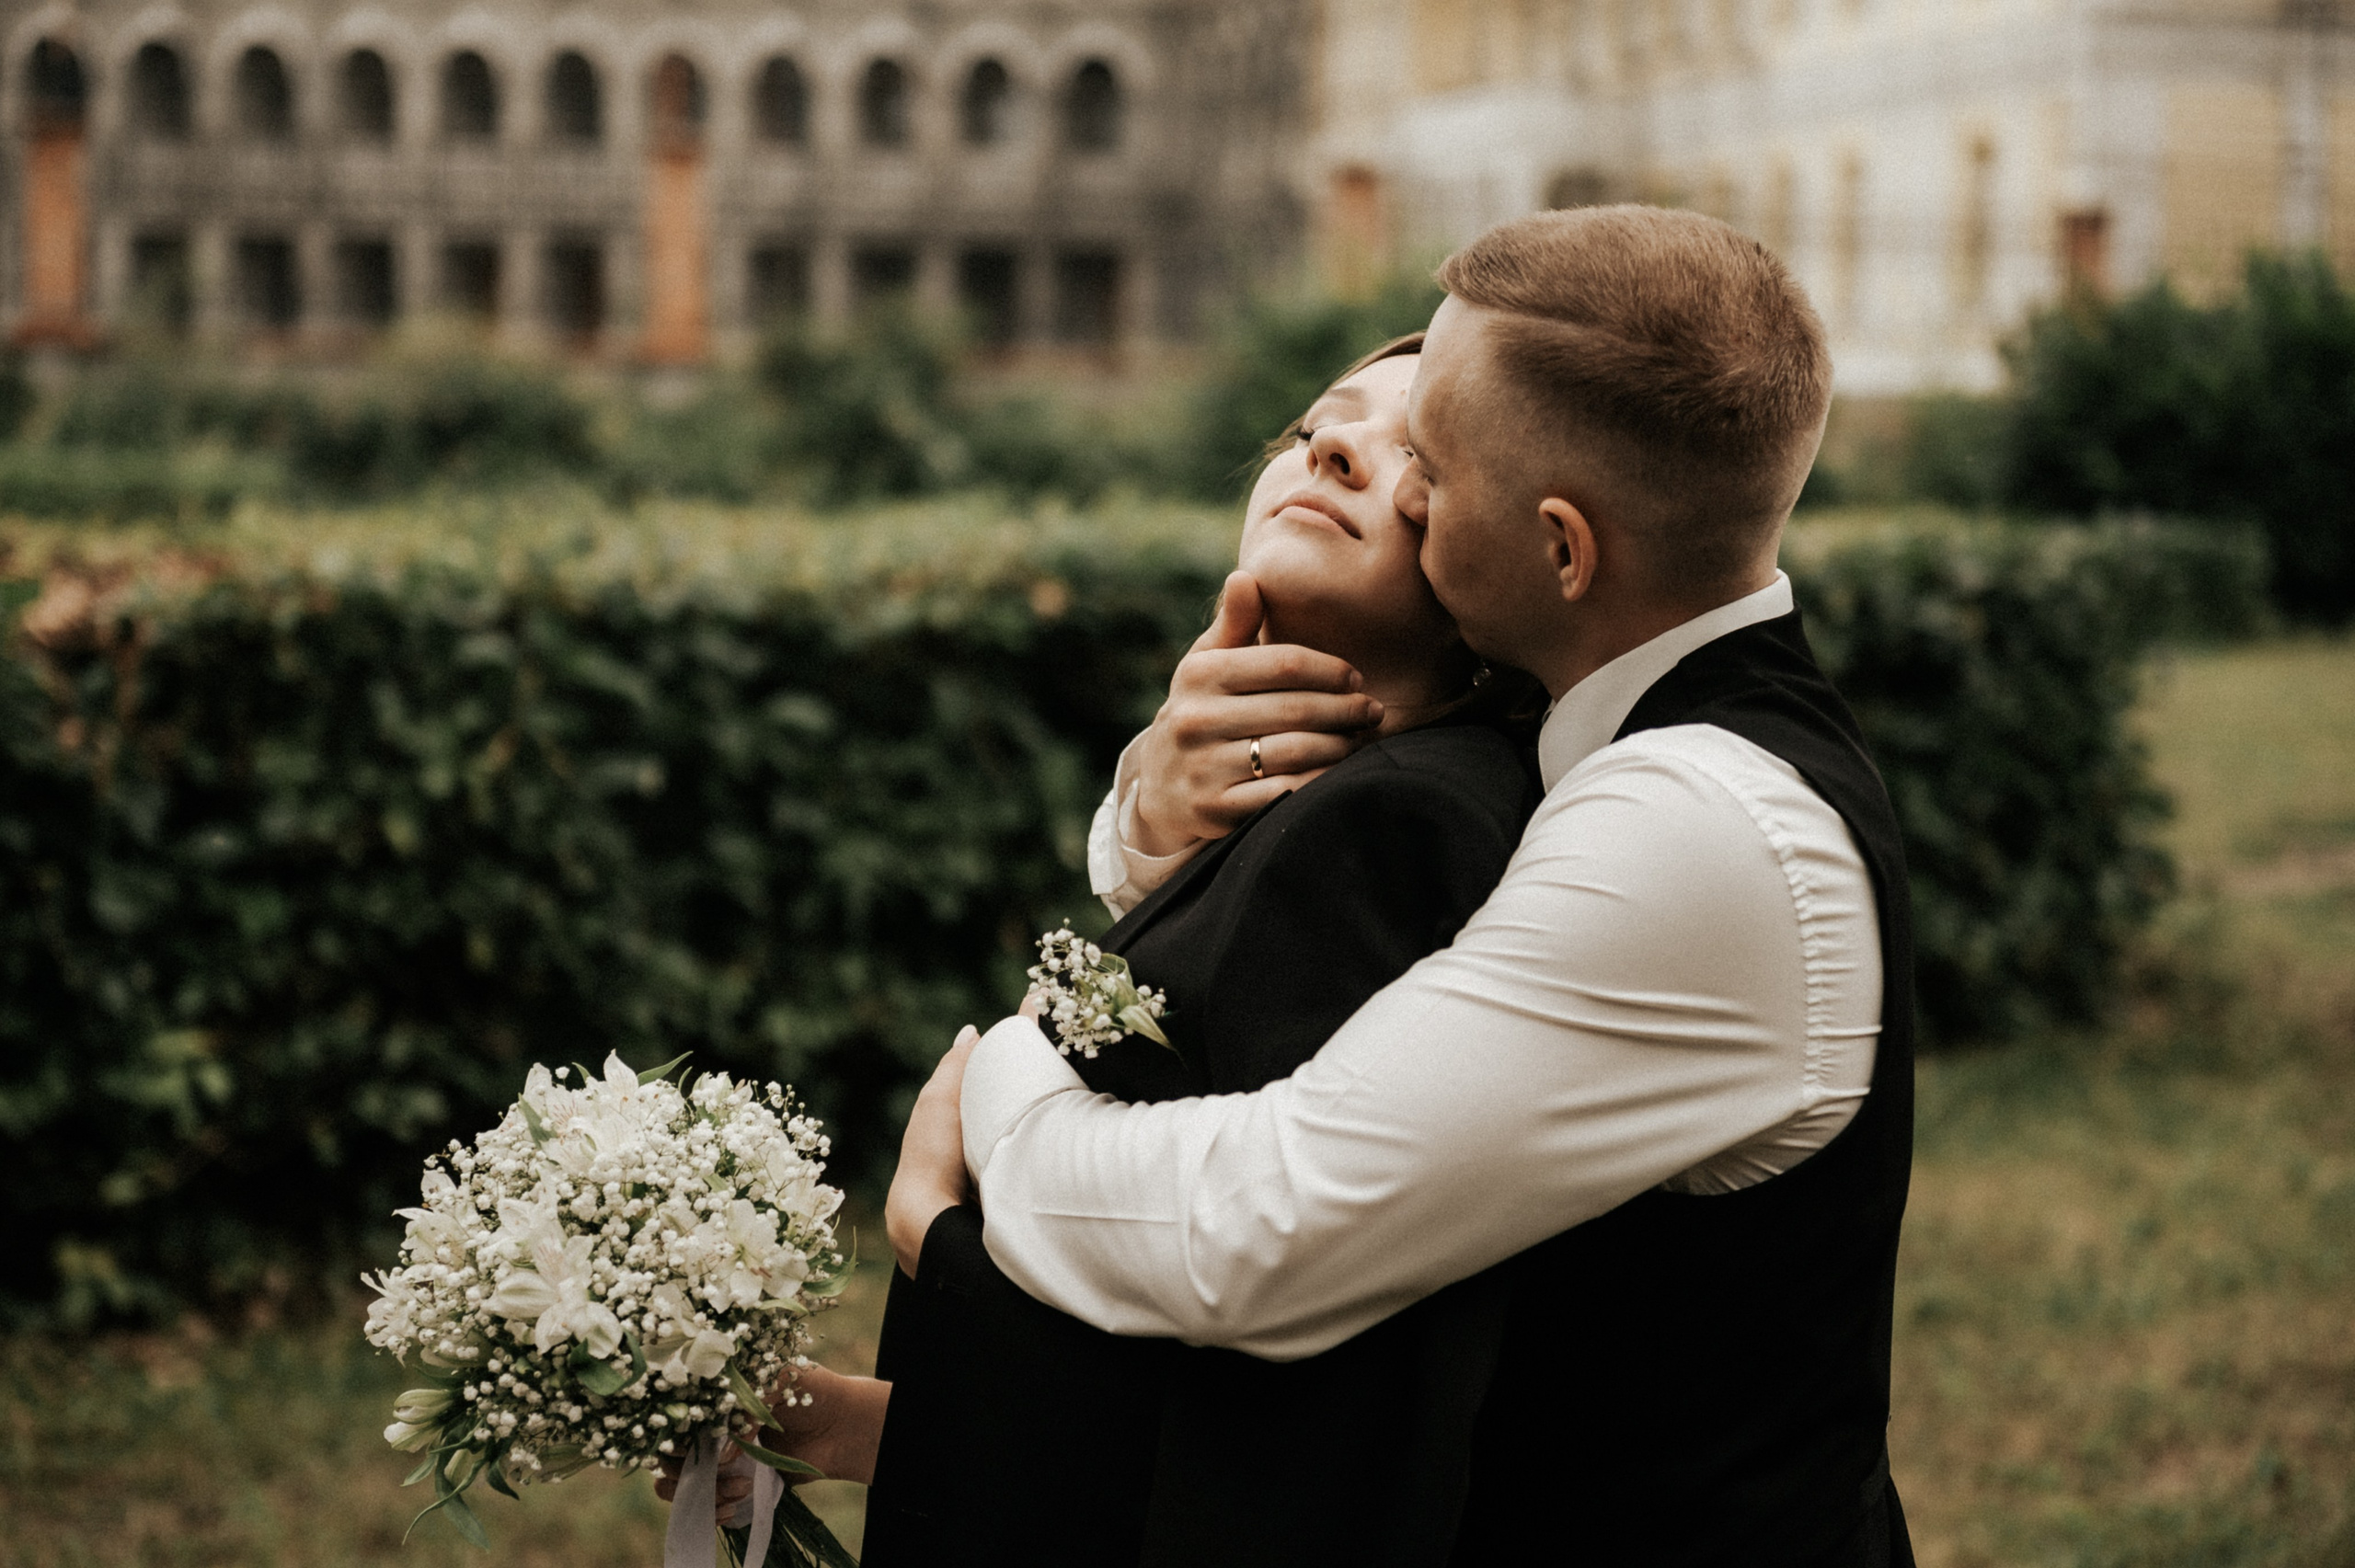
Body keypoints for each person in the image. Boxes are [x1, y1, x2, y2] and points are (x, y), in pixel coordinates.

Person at [886, 204, 1922, 1566]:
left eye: (1429, 459)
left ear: (1563, 550)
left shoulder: (1692, 825)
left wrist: (995, 1107)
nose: (1382, 474)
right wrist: (1148, 814)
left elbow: (1256, 1227)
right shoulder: (1642, 739)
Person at [665, 337, 1548, 1562]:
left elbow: (1294, 1362)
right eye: (1314, 425)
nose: (1332, 448)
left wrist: (940, 1234)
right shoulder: (1326, 807)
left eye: (1420, 455)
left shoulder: (1401, 829)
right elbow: (1167, 1379)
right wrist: (848, 1424)